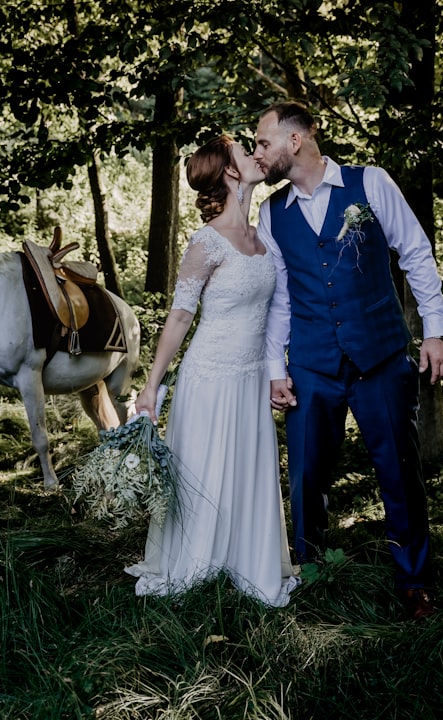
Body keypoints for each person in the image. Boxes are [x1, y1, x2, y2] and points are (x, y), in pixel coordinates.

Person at [252, 101, 443, 620]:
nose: (259, 153)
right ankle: (310, 571)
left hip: (382, 358)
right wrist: (276, 369)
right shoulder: (271, 213)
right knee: (306, 477)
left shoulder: (372, 183)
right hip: (313, 365)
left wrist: (436, 332)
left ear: (294, 141)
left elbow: (416, 253)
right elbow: (281, 300)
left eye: (263, 142)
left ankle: (414, 581)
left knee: (399, 472)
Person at [124, 135, 300, 607]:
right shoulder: (206, 242)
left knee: (247, 470)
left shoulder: (264, 236)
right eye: (246, 152)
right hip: (209, 376)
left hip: (248, 379)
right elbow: (180, 317)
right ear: (231, 172)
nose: (257, 155)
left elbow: (275, 312)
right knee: (203, 472)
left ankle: (246, 564)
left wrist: (272, 372)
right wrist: (151, 386)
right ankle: (197, 569)